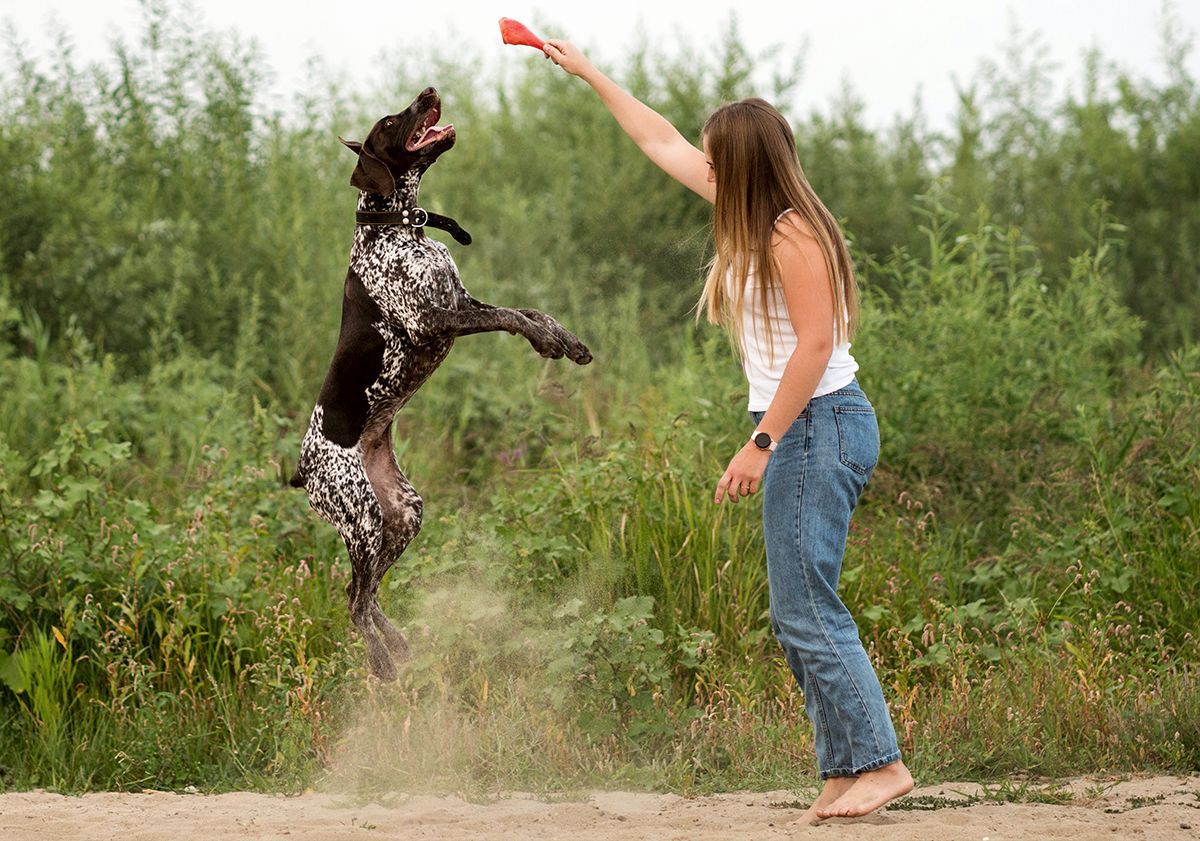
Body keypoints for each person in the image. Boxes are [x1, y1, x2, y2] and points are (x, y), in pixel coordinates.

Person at [541, 39, 914, 822]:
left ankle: (881, 761)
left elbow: (815, 348)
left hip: (818, 424)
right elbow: (656, 138)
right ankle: (846, 767)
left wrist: (762, 441)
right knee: (795, 609)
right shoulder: (747, 212)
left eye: (716, 157)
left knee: (808, 605)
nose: (703, 164)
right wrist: (586, 71)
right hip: (801, 426)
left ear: (742, 163)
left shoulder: (790, 235)